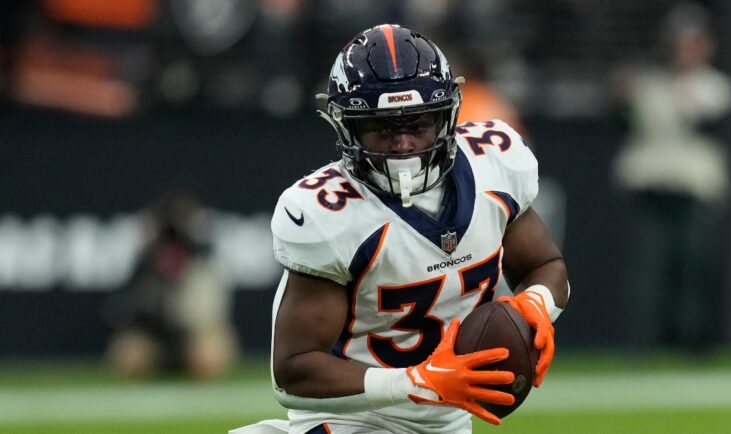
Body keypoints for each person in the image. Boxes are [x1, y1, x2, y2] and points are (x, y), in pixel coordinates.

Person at [235, 24, 570, 434]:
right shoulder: (327, 213)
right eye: (382, 128)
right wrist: (414, 381)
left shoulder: (495, 167)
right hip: (346, 419)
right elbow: (294, 372)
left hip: (442, 424)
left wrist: (536, 305)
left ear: (445, 117)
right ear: (348, 128)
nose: (404, 145)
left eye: (417, 124)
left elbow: (546, 264)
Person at [612, 3, 731, 353]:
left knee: (694, 276)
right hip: (651, 191)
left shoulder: (715, 87)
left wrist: (682, 84)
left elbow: (708, 123)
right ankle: (642, 346)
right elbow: (623, 118)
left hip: (694, 193)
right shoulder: (648, 85)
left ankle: (693, 349)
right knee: (647, 274)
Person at [105, 191, 239, 380]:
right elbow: (127, 313)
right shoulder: (145, 264)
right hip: (153, 336)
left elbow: (210, 318)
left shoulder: (203, 263)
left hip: (191, 335)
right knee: (129, 356)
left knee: (209, 354)